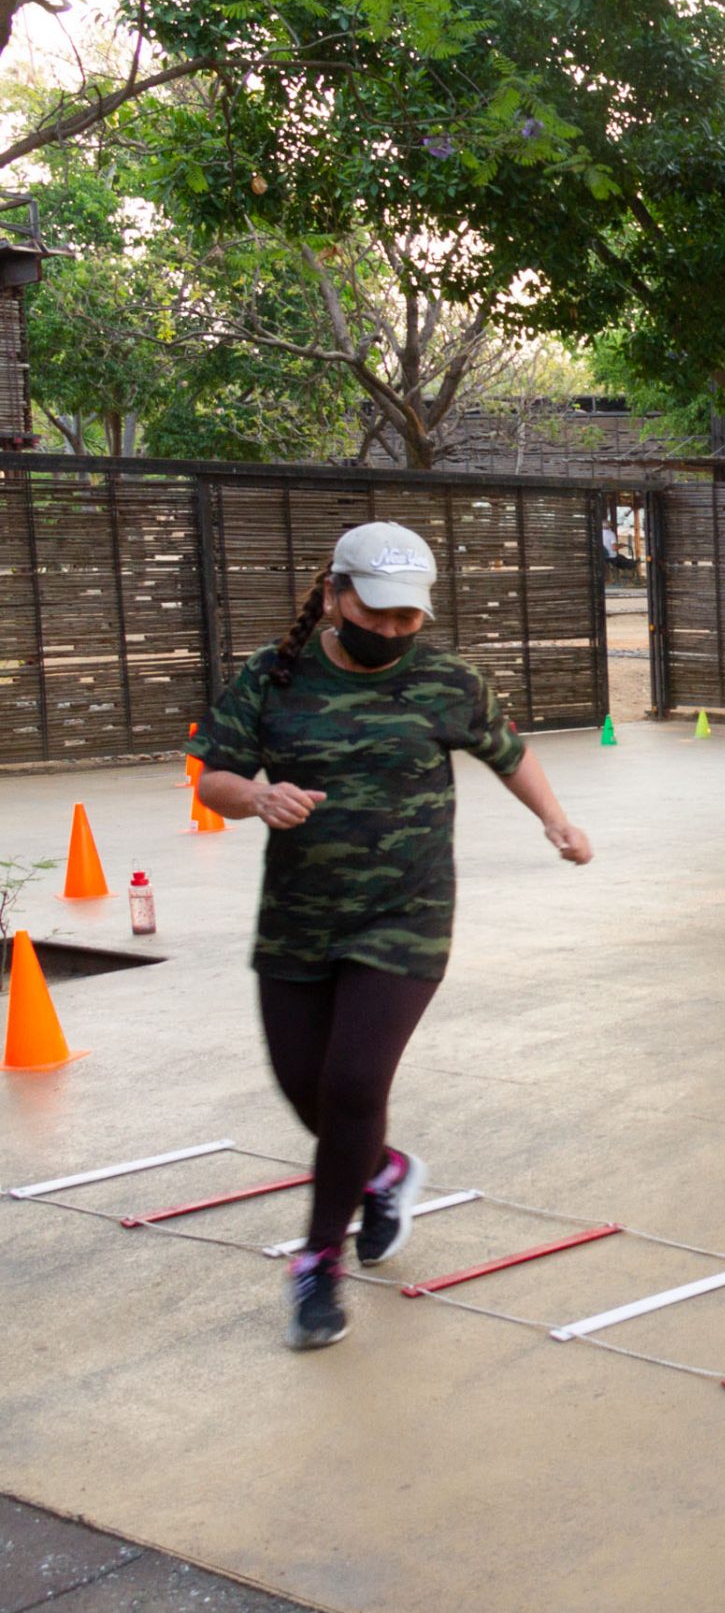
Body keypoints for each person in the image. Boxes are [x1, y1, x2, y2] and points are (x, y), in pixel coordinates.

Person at [189, 523, 594, 1351]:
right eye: (377, 615)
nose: (394, 632)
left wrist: (556, 821)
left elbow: (508, 753)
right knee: (302, 1084)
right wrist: (258, 800)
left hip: (406, 912)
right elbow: (217, 775)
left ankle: (315, 1265)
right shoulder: (275, 675)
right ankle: (382, 1172)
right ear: (336, 596)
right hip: (299, 915)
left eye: (409, 618)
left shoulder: (449, 681)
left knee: (352, 1082)